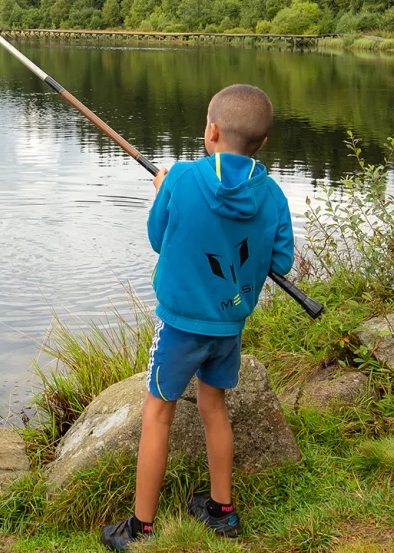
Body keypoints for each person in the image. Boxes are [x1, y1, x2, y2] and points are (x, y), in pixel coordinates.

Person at [101, 84, 294, 549]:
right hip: (229, 326)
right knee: (214, 408)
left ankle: (141, 528)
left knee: (157, 414)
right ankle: (221, 511)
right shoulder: (272, 195)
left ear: (210, 131)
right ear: (262, 143)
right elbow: (282, 262)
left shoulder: (183, 179)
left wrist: (162, 190)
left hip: (180, 326)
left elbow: (156, 237)